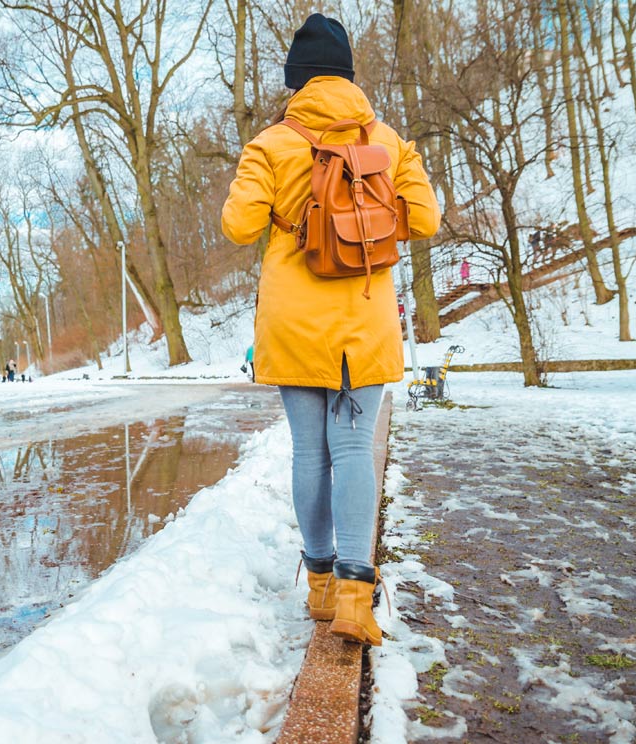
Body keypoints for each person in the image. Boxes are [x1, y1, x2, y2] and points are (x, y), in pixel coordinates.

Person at [222, 13, 440, 647]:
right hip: (364, 317)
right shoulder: (389, 140)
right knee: (352, 452)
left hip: (292, 321)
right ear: (349, 75)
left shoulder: (271, 142)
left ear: (296, 81)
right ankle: (355, 598)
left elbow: (238, 226)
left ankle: (318, 589)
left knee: (309, 453)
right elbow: (424, 219)